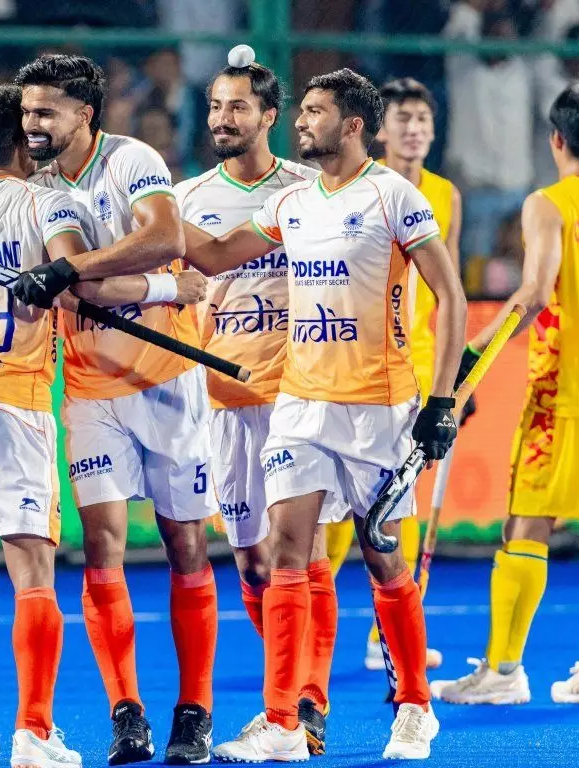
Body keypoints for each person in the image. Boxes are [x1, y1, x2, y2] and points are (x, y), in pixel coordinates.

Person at [0, 83, 208, 764]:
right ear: (18, 140)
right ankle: (33, 732)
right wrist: (170, 287)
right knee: (32, 569)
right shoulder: (45, 202)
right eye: (28, 122)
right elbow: (76, 284)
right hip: (10, 397)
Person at [180, 68, 467, 761]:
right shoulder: (294, 202)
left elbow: (452, 298)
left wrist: (441, 401)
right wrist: (143, 212)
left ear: (352, 125)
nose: (301, 122)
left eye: (314, 112)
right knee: (287, 553)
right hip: (300, 404)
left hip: (377, 408)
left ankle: (415, 707)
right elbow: (214, 254)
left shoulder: (393, 195)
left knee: (383, 558)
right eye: (302, 110)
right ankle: (284, 720)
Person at [431, 83, 579, 707]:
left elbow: (533, 294)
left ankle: (503, 672)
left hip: (564, 395)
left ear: (556, 139)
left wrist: (471, 358)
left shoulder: (548, 205)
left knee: (526, 526)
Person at [173, 59, 339, 756]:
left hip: (297, 400)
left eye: (238, 107)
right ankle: (287, 694)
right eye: (216, 106)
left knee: (304, 553)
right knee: (252, 565)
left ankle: (305, 704)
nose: (223, 119)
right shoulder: (183, 200)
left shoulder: (309, 191)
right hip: (222, 404)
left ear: (270, 116)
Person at [323, 77, 467, 673]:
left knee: (396, 507)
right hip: (359, 364)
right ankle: (314, 633)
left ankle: (387, 638)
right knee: (338, 510)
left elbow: (447, 289)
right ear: (381, 130)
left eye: (423, 120)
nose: (414, 130)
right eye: (404, 119)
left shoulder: (446, 195)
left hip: (418, 367)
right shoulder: (363, 188)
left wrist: (449, 385)